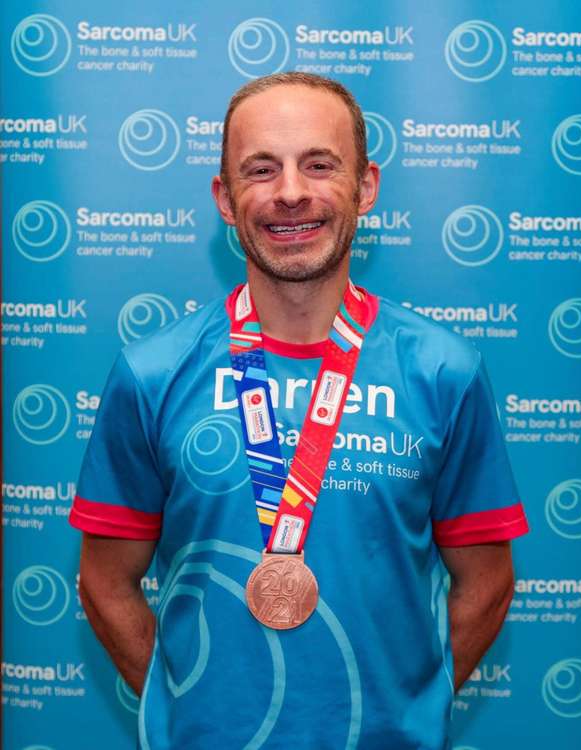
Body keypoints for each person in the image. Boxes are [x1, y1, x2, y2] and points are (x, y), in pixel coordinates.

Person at [70, 72, 528, 749]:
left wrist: (403, 710)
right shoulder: (152, 372)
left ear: (365, 187)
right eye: (261, 169)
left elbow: (486, 586)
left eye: (319, 164)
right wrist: (187, 707)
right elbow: (105, 583)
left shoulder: (442, 370)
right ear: (225, 199)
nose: (290, 192)